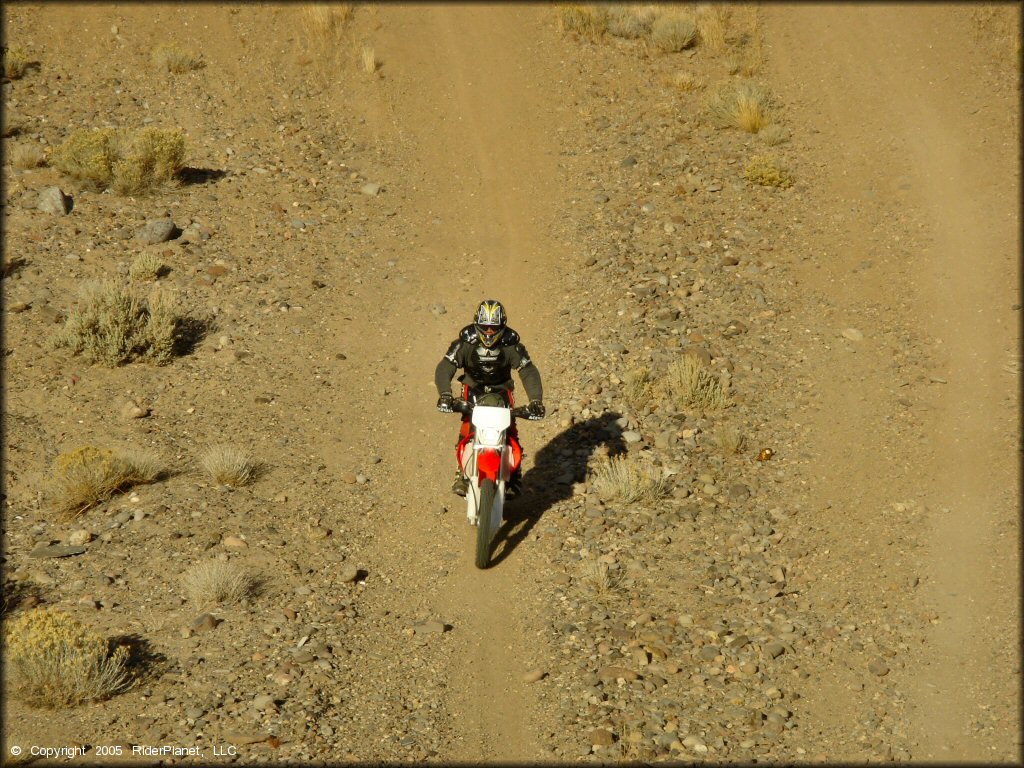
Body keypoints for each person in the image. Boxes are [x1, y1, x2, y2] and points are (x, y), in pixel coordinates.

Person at [435, 299, 545, 498]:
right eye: (484, 327)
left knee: (509, 423)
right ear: (477, 324)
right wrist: (445, 394)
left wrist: (535, 400)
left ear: (502, 327)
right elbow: (445, 366)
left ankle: (514, 474)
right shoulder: (464, 343)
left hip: (501, 391)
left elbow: (528, 371)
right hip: (472, 388)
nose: (488, 332)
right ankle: (462, 472)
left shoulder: (512, 345)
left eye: (493, 328)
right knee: (469, 422)